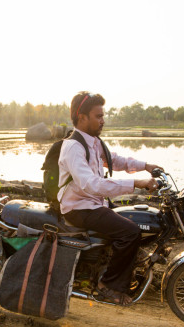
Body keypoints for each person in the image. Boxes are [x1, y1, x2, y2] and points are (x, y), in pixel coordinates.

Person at [58, 91, 163, 306]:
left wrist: (146, 166)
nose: (102, 121)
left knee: (138, 218)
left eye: (102, 116)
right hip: (79, 207)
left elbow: (114, 160)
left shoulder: (93, 142)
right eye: (98, 116)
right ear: (82, 117)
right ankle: (108, 285)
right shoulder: (73, 147)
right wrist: (137, 183)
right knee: (130, 231)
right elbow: (92, 185)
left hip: (95, 202)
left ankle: (121, 267)